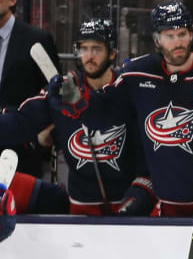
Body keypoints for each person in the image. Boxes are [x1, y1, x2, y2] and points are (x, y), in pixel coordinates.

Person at [50, 1, 193, 217]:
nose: (178, 42)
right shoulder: (137, 74)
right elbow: (105, 105)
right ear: (157, 40)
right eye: (170, 36)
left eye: (182, 34)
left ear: (191, 35)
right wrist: (70, 98)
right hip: (171, 205)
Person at [1, 19, 152, 215]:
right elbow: (19, 122)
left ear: (113, 52)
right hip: (80, 212)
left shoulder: (129, 90)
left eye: (96, 49)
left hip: (128, 209)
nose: (89, 56)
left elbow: (150, 152)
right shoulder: (64, 91)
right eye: (84, 49)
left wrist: (142, 193)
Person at [0, 0, 60, 177]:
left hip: (22, 152)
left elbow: (54, 90)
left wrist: (38, 141)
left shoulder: (37, 40)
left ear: (13, 0)